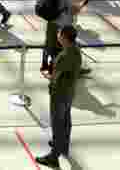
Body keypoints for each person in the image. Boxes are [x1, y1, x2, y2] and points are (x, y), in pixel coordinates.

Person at [36, 25, 82, 168]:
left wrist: (45, 74)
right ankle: (63, 146)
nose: (57, 34)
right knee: (66, 121)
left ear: (64, 37)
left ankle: (53, 156)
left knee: (57, 124)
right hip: (69, 92)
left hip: (59, 94)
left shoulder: (64, 56)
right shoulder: (76, 50)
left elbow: (54, 77)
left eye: (59, 33)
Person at [40, 0, 89, 73]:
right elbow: (74, 11)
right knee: (68, 48)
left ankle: (45, 65)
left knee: (49, 44)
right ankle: (71, 69)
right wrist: (84, 2)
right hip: (62, 25)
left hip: (51, 21)